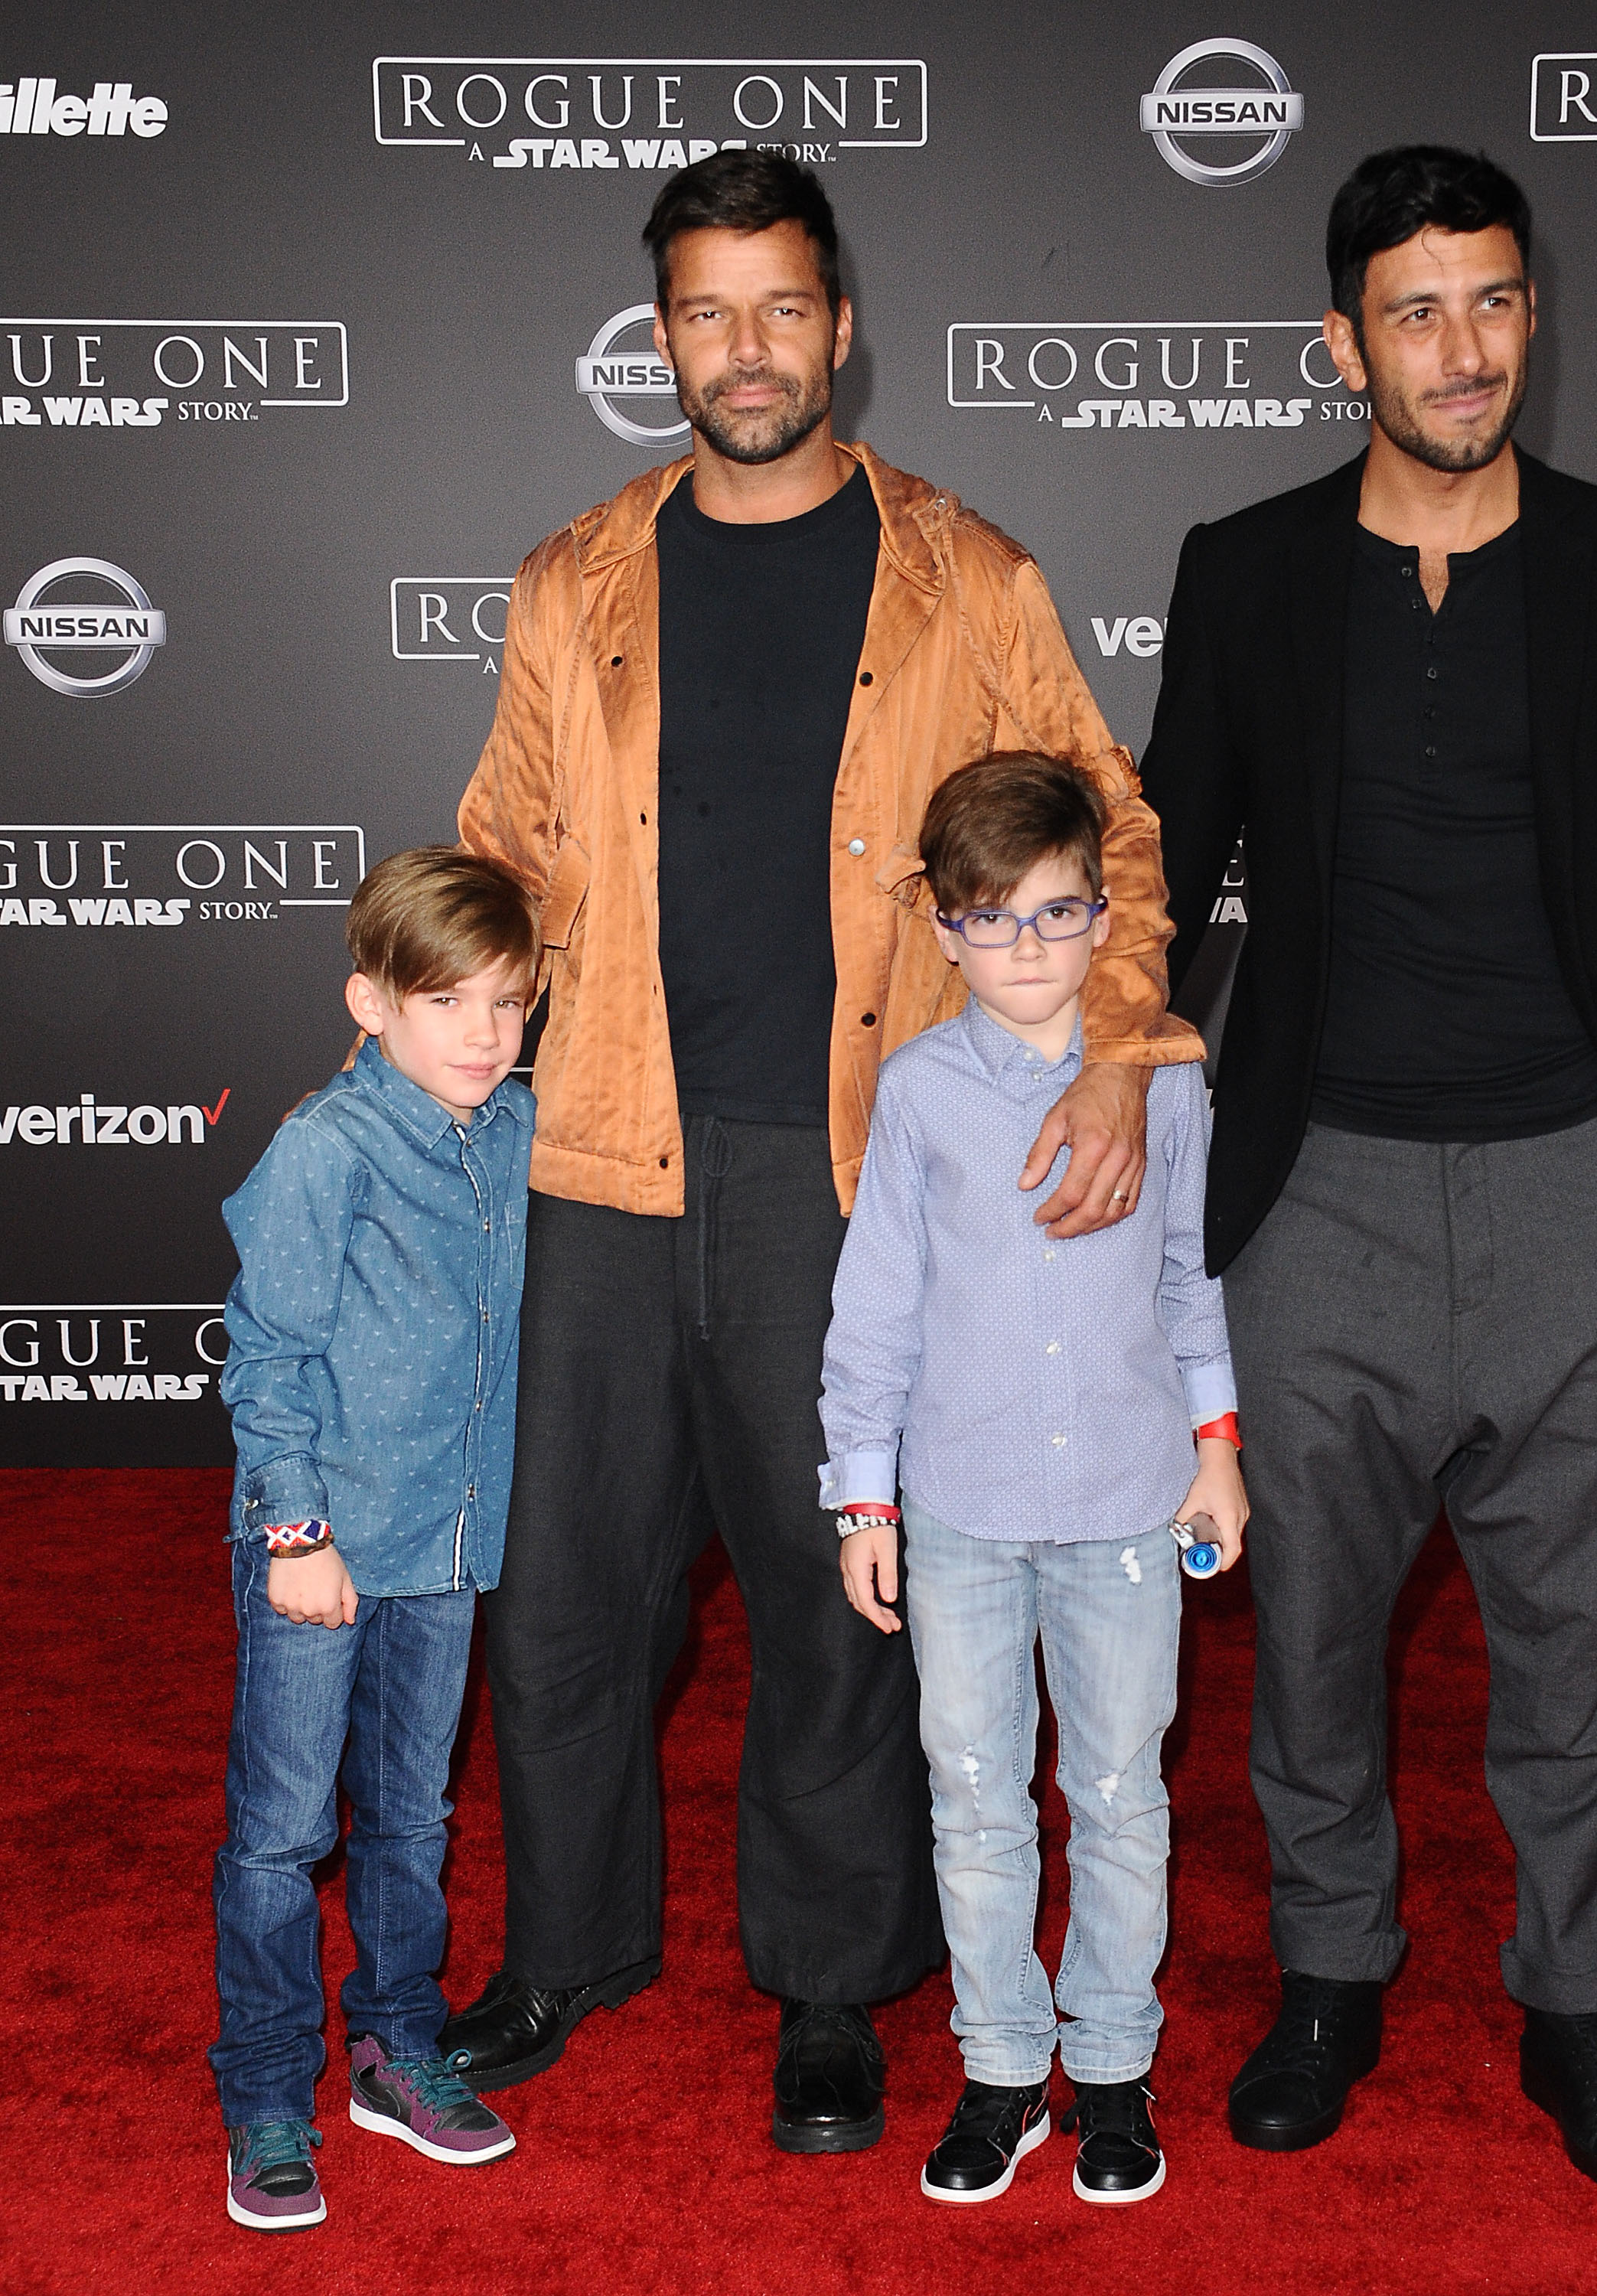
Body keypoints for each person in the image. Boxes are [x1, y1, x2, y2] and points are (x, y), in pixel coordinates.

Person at [444, 152, 1203, 2146]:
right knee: (564, 1592)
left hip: (855, 1167)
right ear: (660, 336)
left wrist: (1119, 1040)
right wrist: (417, 1070)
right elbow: (501, 847)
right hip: (600, 1151)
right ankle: (564, 1948)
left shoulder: (968, 573)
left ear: (839, 325)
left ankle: (832, 1986)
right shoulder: (571, 578)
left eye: (781, 307)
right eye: (708, 311)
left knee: (832, 1593)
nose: (748, 348)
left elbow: (1114, 828)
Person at [1138, 146, 1597, 2194]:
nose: (1461, 348)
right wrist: (1108, 1088)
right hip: (1315, 1198)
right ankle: (1328, 1978)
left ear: (1530, 315)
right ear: (1343, 345)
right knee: (1310, 1637)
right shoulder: (1244, 569)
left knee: (1575, 1650)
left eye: (1490, 301)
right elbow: (1161, 872)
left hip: (1576, 1180)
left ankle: (1579, 2010)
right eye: (1414, 311)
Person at [823, 752, 1249, 2206]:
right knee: (974, 1796)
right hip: (958, 1509)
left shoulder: (1163, 1080)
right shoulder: (917, 1092)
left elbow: (1191, 1279)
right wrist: (863, 1496)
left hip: (1130, 1500)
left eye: (1058, 914)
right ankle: (1001, 2067)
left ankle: (1114, 2068)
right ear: (944, 929)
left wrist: (1216, 1450)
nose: (1026, 947)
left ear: (1102, 919)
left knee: (1121, 1793)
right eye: (991, 918)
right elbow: (875, 1309)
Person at [211, 849, 539, 2232]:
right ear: (372, 1002)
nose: (483, 1032)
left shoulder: (516, 1127)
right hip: (324, 1545)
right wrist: (296, 1535)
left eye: (509, 1002)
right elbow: (264, 1356)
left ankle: (396, 2048)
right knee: (282, 1835)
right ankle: (265, 2092)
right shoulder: (325, 1146)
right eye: (446, 1001)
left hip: (448, 1543)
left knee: (414, 1817)